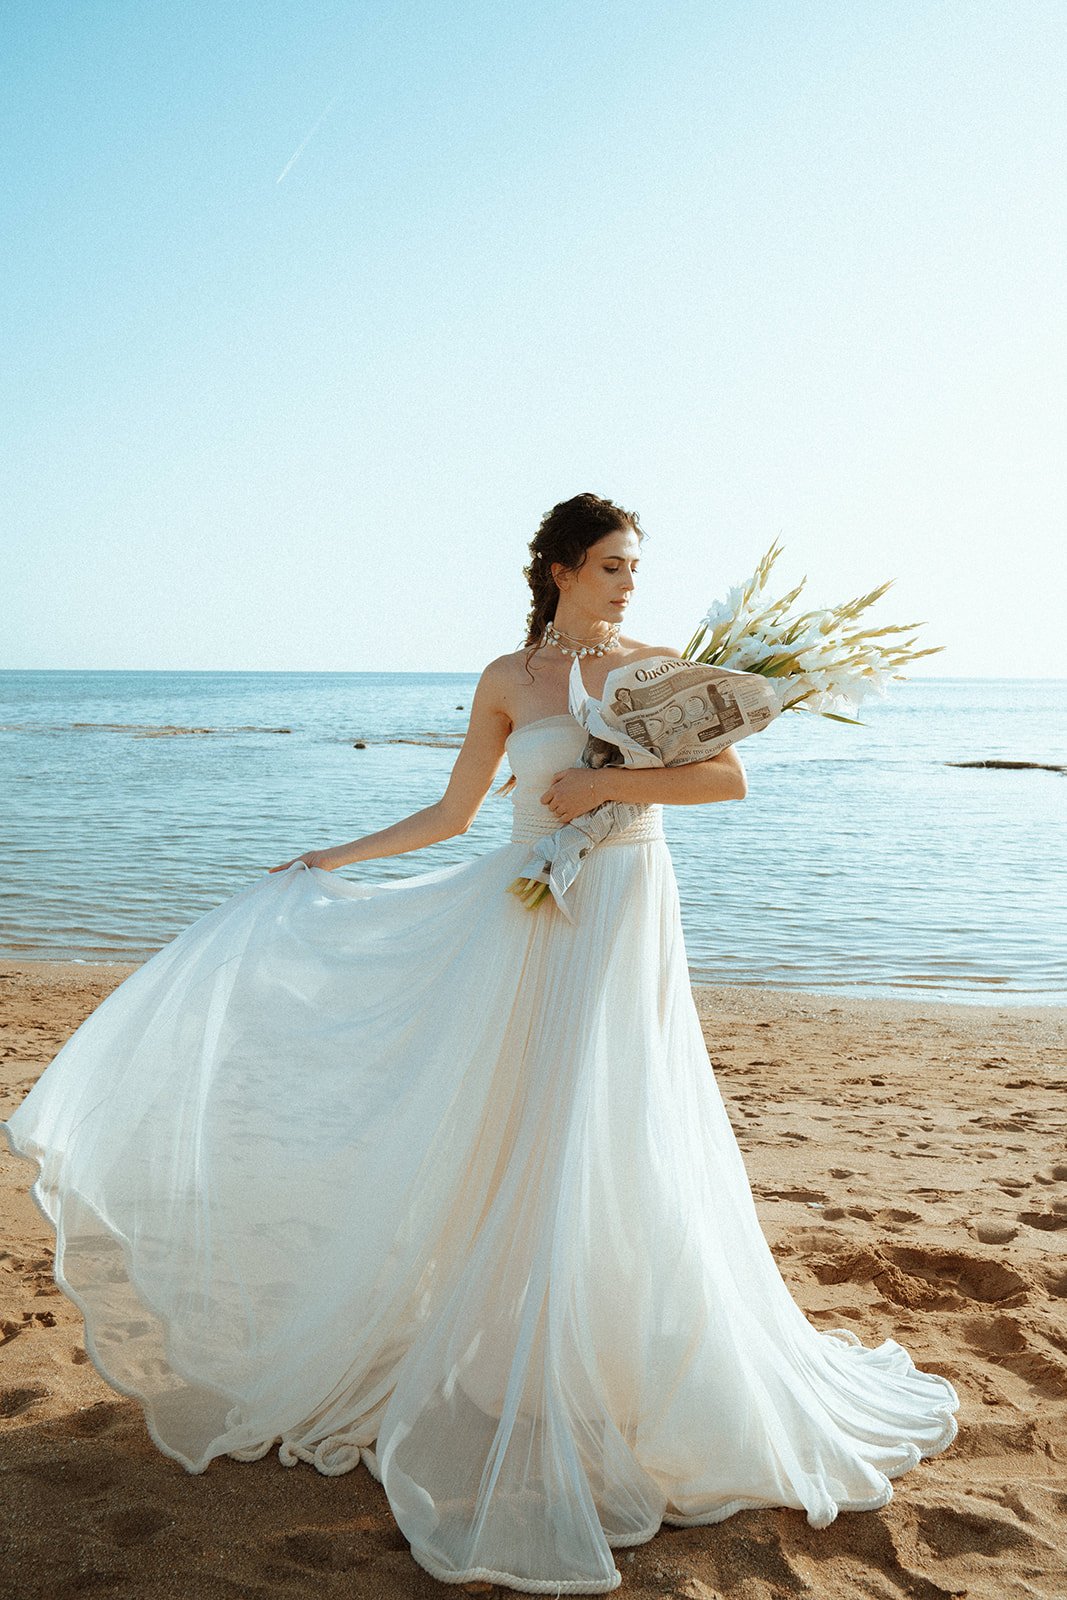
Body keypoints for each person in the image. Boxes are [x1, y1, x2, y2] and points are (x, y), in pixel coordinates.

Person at [2, 493, 959, 1596]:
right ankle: (516, 1352)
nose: (628, 583)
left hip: (624, 906)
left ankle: (613, 1354)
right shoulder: (506, 679)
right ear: (560, 569)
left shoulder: (658, 666)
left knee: (616, 1115)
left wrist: (605, 782)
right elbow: (454, 813)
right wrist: (333, 858)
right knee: (524, 1118)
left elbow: (724, 778)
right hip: (528, 909)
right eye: (610, 565)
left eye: (633, 567)